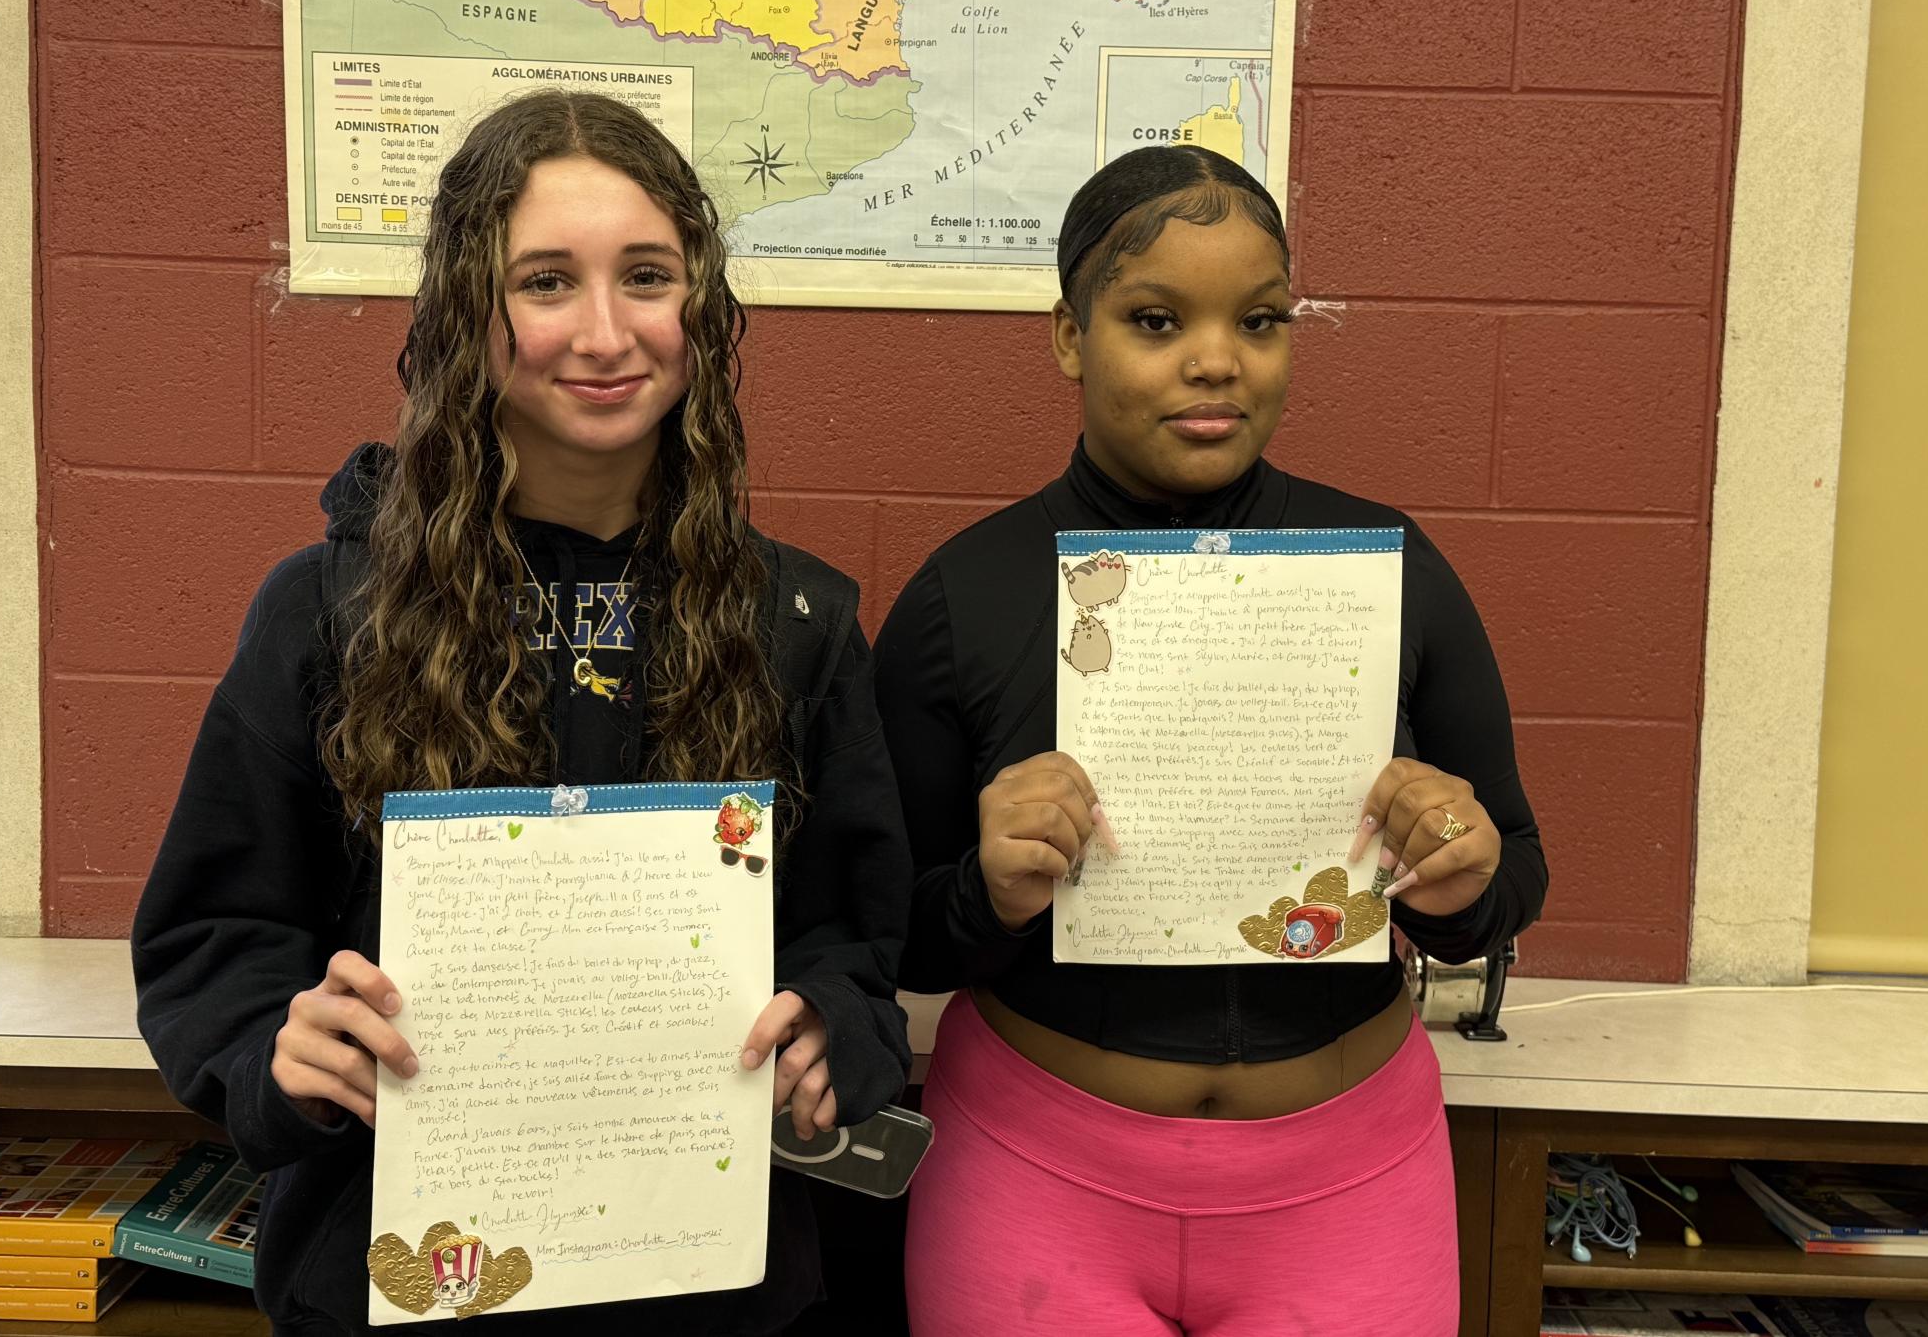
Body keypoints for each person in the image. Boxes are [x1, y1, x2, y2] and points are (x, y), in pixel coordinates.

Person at [132, 91, 912, 1337]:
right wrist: (279, 1049)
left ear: (698, 312)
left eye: (645, 276)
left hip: (704, 1282)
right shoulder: (332, 610)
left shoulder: (795, 622)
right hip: (401, 1279)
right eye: (545, 281)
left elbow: (854, 937)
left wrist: (830, 1031)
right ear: (463, 315)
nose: (604, 332)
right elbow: (216, 935)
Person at [876, 145, 1546, 1337]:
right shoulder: (960, 599)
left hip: (1347, 1176)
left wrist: (1459, 879)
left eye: (1262, 319)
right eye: (1154, 318)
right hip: (1040, 1175)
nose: (1217, 359)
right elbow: (898, 935)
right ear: (1071, 339)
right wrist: (985, 891)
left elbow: (1513, 871)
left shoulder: (1389, 572)